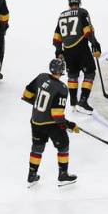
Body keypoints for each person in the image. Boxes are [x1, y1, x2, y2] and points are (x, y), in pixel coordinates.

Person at [21, 59, 79, 187]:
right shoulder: (62, 88)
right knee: (63, 145)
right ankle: (63, 174)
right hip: (50, 124)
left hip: (35, 121)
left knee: (37, 148)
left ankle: (32, 175)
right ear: (62, 71)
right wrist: (69, 125)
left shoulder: (41, 77)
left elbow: (26, 95)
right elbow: (57, 116)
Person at [52, 0, 102, 114]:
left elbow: (56, 37)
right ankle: (83, 101)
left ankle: (73, 103)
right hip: (81, 48)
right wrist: (95, 44)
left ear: (69, 3)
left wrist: (59, 51)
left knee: (72, 75)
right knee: (90, 72)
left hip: (67, 50)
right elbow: (87, 31)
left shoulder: (62, 15)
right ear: (79, 2)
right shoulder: (82, 12)